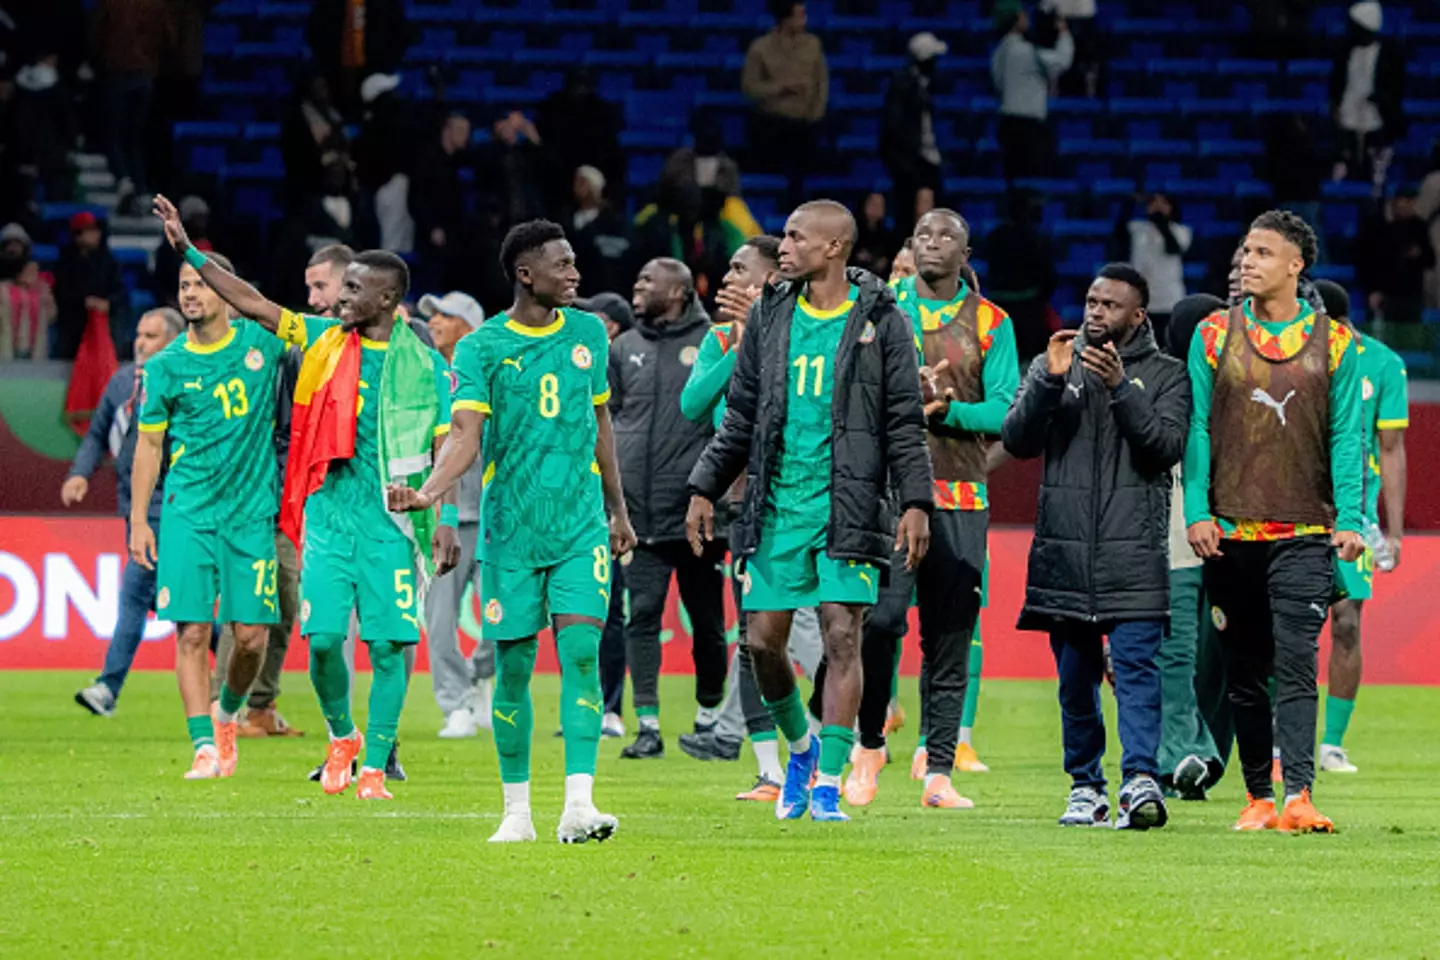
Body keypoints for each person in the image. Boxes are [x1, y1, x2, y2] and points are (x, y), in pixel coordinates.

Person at [152, 196, 459, 800]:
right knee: (322, 643)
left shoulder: (424, 366)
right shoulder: (320, 340)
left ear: (387, 300)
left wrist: (437, 509)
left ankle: (374, 765)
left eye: (351, 291)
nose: (338, 300)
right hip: (328, 514)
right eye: (339, 289)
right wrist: (189, 250)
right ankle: (342, 735)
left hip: (395, 521)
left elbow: (443, 444)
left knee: (391, 644)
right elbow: (254, 304)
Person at [686, 200, 933, 823]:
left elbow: (904, 422)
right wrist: (703, 487)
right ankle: (800, 748)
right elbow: (740, 415)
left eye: (796, 237)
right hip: (775, 505)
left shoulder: (883, 320)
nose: (783, 246)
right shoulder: (772, 313)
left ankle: (828, 782)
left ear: (833, 248)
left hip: (848, 507)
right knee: (763, 642)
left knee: (842, 635)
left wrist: (915, 501)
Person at [391, 219, 637, 843]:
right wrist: (430, 495)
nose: (576, 273)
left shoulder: (587, 334)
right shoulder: (482, 348)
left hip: (580, 526)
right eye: (563, 264)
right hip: (512, 534)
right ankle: (517, 813)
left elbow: (600, 423)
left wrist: (618, 509)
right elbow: (466, 436)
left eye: (576, 261)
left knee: (581, 653)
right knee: (515, 667)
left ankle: (579, 805)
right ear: (527, 274)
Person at [1183, 210, 1364, 834]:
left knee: (1294, 662)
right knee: (1243, 667)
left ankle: (1301, 795)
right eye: (1244, 251)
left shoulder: (1337, 342)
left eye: (1262, 252)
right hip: (1229, 531)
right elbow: (1199, 428)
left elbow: (1345, 436)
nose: (1246, 261)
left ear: (1296, 265)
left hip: (1305, 531)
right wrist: (1197, 510)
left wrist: (1351, 518)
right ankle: (1258, 796)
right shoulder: (1210, 334)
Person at [1002, 263, 1190, 830]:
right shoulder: (1054, 364)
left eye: (1109, 305)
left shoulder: (1167, 376)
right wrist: (1048, 382)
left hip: (1133, 552)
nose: (1095, 313)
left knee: (1136, 671)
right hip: (1064, 554)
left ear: (1137, 316)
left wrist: (1119, 389)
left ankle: (1139, 780)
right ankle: (1086, 785)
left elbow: (1164, 449)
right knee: (1073, 682)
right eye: (1090, 301)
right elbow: (1017, 440)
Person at [844, 209, 1019, 811]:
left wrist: (949, 412)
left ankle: (939, 769)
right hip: (886, 496)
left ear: (967, 253)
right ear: (909, 247)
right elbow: (847, 391)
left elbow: (1005, 413)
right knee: (884, 621)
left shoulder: (993, 323)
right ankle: (868, 746)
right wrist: (902, 394)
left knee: (949, 634)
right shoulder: (875, 308)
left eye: (947, 236)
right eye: (922, 235)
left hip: (960, 496)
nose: (933, 244)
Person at [675, 236, 826, 801]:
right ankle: (770, 769)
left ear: (771, 277)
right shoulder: (718, 339)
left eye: (740, 269)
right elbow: (694, 406)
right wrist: (740, 348)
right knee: (754, 634)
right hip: (743, 497)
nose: (727, 278)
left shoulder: (804, 328)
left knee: (812, 625)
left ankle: (844, 725)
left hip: (804, 492)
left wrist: (757, 338)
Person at [128, 237, 284, 781]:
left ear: (226, 291)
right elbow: (149, 446)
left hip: (250, 514)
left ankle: (227, 711)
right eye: (184, 285)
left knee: (250, 637)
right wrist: (138, 520)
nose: (190, 293)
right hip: (188, 511)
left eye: (200, 283)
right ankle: (204, 746)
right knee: (191, 632)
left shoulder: (264, 349)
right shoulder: (166, 366)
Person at [608, 258, 726, 758]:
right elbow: (607, 421)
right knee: (643, 616)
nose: (637, 287)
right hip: (639, 513)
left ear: (677, 292)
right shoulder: (624, 348)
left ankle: (709, 715)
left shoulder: (712, 344)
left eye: (648, 281)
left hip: (695, 512)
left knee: (707, 620)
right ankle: (648, 725)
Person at [68, 307, 183, 716]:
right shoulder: (121, 383)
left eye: (151, 335)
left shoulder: (182, 380)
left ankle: (107, 687)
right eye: (139, 333)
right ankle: (241, 658)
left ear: (172, 340)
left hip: (168, 505)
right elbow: (97, 432)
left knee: (135, 594)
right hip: (132, 505)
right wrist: (80, 474)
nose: (140, 342)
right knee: (176, 607)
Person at [1313, 279, 1407, 775]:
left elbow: (1390, 449)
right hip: (1294, 509)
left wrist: (1393, 530)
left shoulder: (1383, 363)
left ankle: (1331, 743)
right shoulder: (1291, 356)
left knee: (1346, 622)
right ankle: (1280, 741)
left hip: (1356, 516)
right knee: (1283, 627)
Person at [1156, 293, 1228, 800]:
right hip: (1178, 542)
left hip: (1232, 542)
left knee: (1223, 657)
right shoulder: (1165, 389)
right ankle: (1186, 752)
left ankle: (1205, 752)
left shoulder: (1237, 390)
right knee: (1179, 654)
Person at [417, 290, 497, 739]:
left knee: (501, 622)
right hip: (440, 517)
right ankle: (456, 704)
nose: (434, 323)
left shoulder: (489, 374)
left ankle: (478, 675)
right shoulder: (424, 374)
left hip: (490, 516)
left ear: (468, 327)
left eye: (444, 316)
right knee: (441, 621)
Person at [742, 1, 829, 211]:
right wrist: (780, 88)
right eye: (800, 15)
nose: (804, 20)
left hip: (806, 123)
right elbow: (750, 88)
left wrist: (815, 115)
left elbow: (822, 85)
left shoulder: (813, 45)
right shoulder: (761, 48)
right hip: (773, 122)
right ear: (785, 19)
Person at [90, 0, 167, 209]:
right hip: (145, 76)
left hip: (119, 74)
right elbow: (166, 38)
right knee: (134, 138)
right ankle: (140, 188)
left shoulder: (111, 5)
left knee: (112, 133)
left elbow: (96, 36)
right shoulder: (154, 6)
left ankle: (124, 179)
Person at [992, 2, 1072, 182]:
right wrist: (1064, 33)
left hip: (1007, 124)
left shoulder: (999, 51)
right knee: (1030, 181)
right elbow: (1061, 62)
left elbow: (997, 85)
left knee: (1013, 179)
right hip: (1028, 128)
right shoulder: (1026, 51)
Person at [1330, 2, 1406, 190]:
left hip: (1377, 124)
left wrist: (1379, 100)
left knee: (1376, 178)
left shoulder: (1389, 54)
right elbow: (1336, 85)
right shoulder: (1344, 52)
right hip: (1347, 123)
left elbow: (1395, 89)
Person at [880, 33, 947, 240]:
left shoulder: (921, 85)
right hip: (911, 164)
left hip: (923, 161)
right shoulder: (903, 86)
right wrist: (908, 165)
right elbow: (895, 130)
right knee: (909, 217)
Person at [536, 68, 624, 215]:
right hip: (558, 183)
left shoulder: (603, 114)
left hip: (596, 169)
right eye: (577, 87)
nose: (580, 92)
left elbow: (612, 157)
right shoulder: (552, 109)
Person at [984, 190, 1058, 362]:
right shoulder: (1038, 239)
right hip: (1029, 314)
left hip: (1000, 310)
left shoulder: (993, 237)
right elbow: (1050, 277)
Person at [1113, 192, 1192, 344]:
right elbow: (1118, 231)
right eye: (1154, 203)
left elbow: (1173, 247)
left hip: (1169, 300)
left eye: (1163, 204)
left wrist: (1160, 219)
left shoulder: (1181, 231)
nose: (1158, 207)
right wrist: (1131, 202)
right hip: (1142, 300)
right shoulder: (1137, 229)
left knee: (1166, 344)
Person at [53, 211, 125, 360]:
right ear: (77, 235)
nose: (95, 235)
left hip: (104, 316)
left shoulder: (108, 260)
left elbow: (120, 290)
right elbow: (62, 291)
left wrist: (108, 303)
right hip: (75, 317)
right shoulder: (66, 261)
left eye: (95, 231)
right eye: (89, 231)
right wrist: (85, 302)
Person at [1356, 190, 1433, 324]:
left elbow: (1430, 259)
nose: (1409, 208)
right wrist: (1373, 290)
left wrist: (1417, 255)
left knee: (1410, 339)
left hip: (1412, 296)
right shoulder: (1374, 227)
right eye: (1405, 203)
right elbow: (1366, 261)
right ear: (1394, 203)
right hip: (1384, 296)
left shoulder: (1419, 227)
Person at [410, 112, 471, 281]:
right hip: (434, 233)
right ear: (447, 130)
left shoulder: (461, 160)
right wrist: (431, 227)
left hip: (457, 232)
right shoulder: (427, 160)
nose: (465, 136)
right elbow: (417, 198)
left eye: (467, 131)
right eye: (460, 130)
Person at [281, 75, 348, 214]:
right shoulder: (295, 119)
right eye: (319, 86)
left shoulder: (334, 115)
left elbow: (343, 146)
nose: (323, 90)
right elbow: (293, 156)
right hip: (306, 188)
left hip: (335, 188)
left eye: (324, 86)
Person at [568, 166, 632, 300]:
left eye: (583, 182)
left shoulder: (613, 223)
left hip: (602, 290)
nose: (578, 187)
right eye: (577, 182)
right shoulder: (565, 219)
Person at [0, 222, 56, 360]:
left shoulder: (40, 284)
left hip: (34, 351)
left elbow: (52, 314)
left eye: (17, 244)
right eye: (9, 244)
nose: (13, 249)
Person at [851, 193, 897, 281]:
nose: (877, 208)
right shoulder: (853, 229)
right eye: (873, 204)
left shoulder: (887, 234)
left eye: (880, 205)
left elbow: (890, 256)